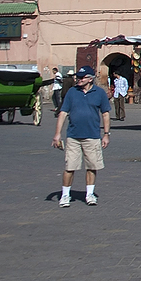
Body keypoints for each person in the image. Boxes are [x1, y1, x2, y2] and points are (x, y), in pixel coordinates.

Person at [51, 67, 111, 207]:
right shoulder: (72, 92)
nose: (79, 79)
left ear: (90, 79)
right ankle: (65, 195)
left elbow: (105, 114)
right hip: (73, 136)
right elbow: (63, 113)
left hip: (92, 136)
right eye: (78, 77)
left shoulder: (99, 93)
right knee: (69, 167)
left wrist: (106, 134)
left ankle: (89, 194)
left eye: (82, 77)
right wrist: (57, 134)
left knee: (92, 166)